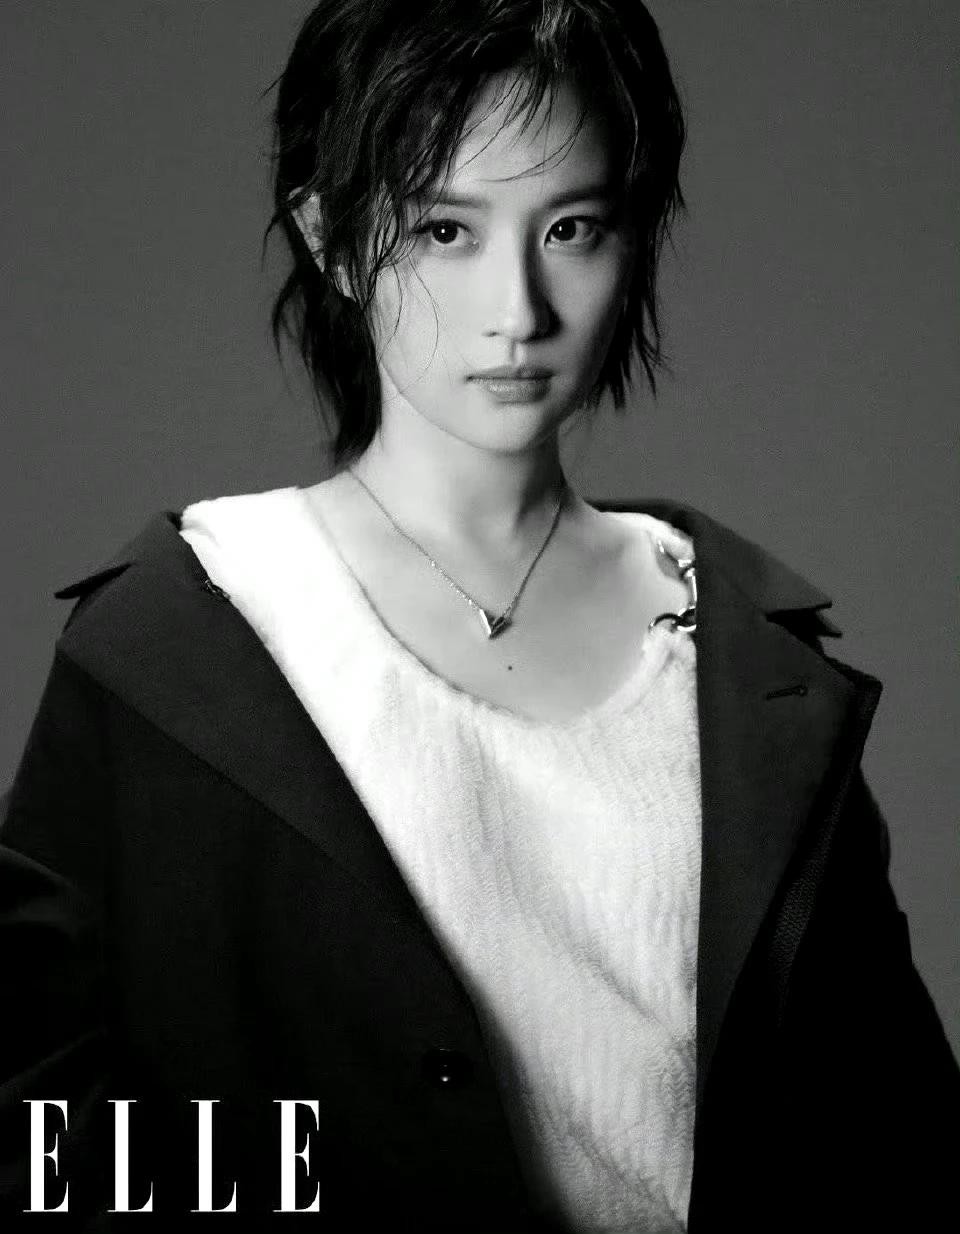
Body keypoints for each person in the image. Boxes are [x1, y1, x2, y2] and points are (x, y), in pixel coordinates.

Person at [1, 1, 956, 1230]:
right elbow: (43, 1128)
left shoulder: (743, 655)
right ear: (333, 239)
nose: (519, 308)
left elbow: (897, 1135)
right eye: (443, 229)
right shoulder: (188, 634)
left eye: (572, 228)